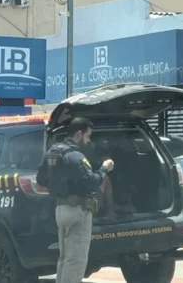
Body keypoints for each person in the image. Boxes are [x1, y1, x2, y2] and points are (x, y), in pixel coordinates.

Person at [36, 117, 115, 283]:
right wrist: (104, 168)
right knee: (76, 260)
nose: (89, 140)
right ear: (79, 134)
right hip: (77, 211)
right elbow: (92, 181)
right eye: (88, 136)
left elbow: (40, 179)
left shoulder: (52, 152)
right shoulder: (75, 156)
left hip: (61, 209)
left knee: (65, 258)